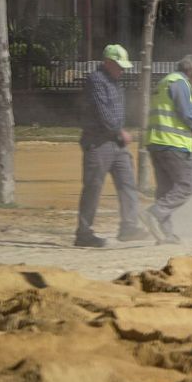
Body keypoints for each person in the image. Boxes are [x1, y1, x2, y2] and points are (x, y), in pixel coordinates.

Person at [75, 44, 145, 247]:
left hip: (116, 143)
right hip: (97, 143)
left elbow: (115, 112)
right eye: (119, 65)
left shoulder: (116, 82)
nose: (122, 70)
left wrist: (119, 133)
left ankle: (129, 228)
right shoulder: (95, 80)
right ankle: (84, 233)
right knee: (93, 187)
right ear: (107, 62)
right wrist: (118, 131)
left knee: (127, 184)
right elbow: (103, 113)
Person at [140, 52, 192, 244]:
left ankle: (165, 233)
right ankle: (155, 213)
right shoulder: (180, 83)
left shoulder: (164, 82)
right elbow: (184, 112)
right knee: (188, 184)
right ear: (190, 71)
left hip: (156, 141)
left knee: (165, 189)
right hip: (173, 143)